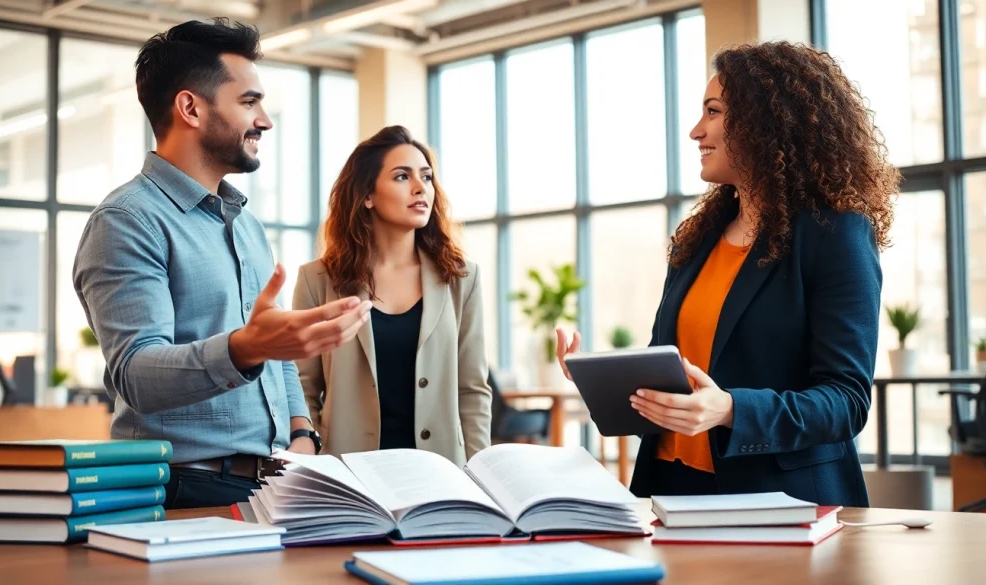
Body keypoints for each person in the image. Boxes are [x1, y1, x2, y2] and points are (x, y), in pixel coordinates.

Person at [557, 41, 899, 506]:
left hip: (780, 503)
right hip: (670, 491)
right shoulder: (698, 240)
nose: (697, 131)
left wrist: (731, 410)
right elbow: (680, 373)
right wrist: (605, 379)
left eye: (713, 112)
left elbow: (845, 402)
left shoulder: (834, 234)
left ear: (768, 124)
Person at [72, 18, 371, 509]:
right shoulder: (127, 221)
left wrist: (303, 433)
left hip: (273, 483)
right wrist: (243, 349)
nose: (265, 120)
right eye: (249, 102)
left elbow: (273, 353)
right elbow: (136, 373)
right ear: (190, 107)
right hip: (182, 490)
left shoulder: (247, 227)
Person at [293, 125, 492, 467]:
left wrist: (480, 472)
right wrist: (312, 461)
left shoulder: (461, 278)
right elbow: (302, 388)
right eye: (402, 177)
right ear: (367, 195)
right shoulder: (318, 280)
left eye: (427, 177)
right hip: (349, 475)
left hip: (441, 474)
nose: (420, 188)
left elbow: (472, 390)